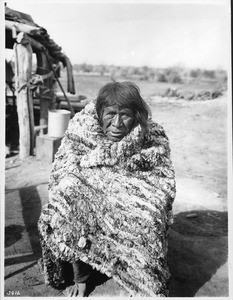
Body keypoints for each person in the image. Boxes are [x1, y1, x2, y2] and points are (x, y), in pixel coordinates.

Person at [38, 81, 176, 297]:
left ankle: (141, 277)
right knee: (68, 200)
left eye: (126, 115)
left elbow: (161, 184)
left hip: (133, 199)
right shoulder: (82, 129)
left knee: (150, 214)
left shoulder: (151, 136)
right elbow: (63, 172)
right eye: (111, 114)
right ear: (99, 112)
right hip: (87, 199)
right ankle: (81, 277)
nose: (118, 123)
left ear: (137, 116)